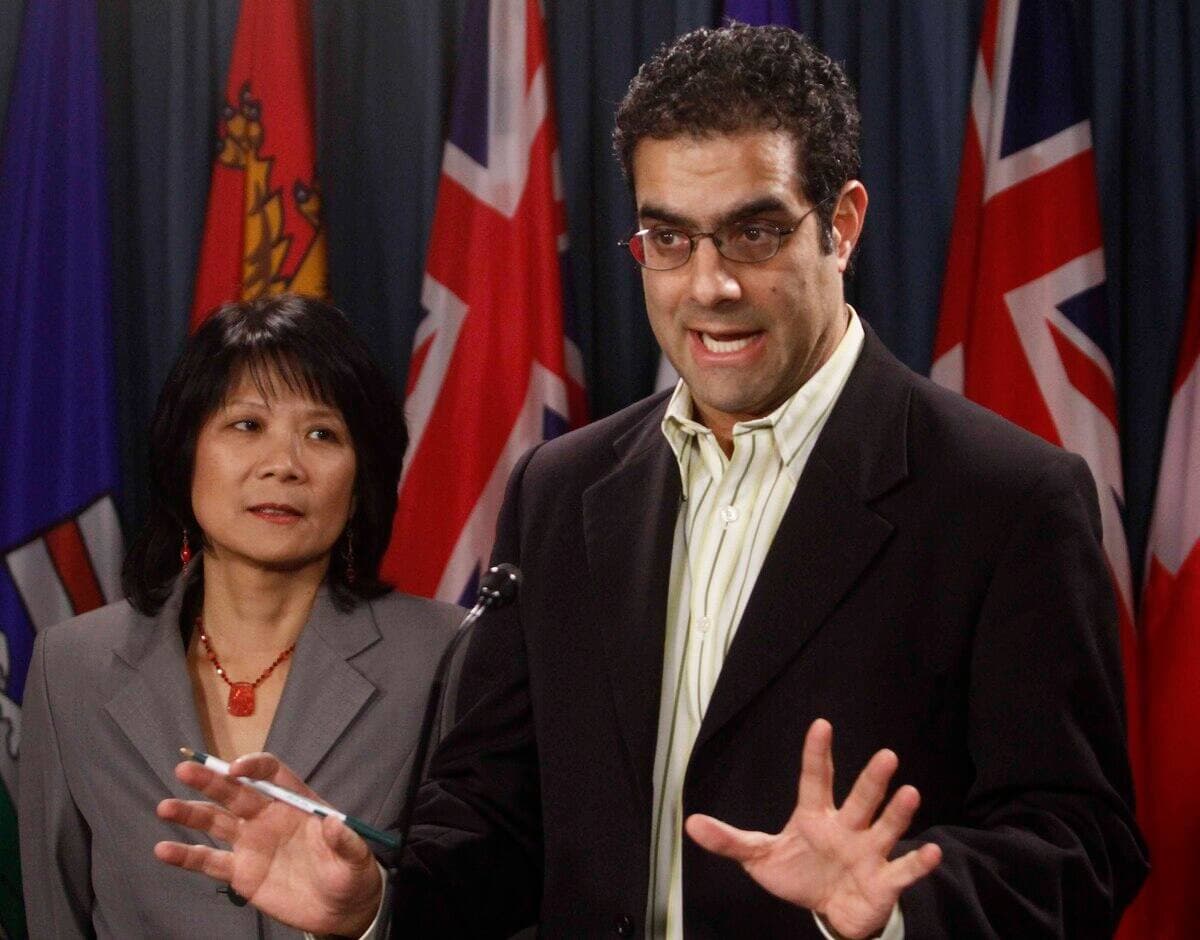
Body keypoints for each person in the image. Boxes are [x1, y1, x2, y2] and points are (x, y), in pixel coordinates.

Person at [156, 25, 1147, 938]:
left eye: (754, 232)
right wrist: (375, 898)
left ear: (841, 225)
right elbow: (496, 818)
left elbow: (1083, 843)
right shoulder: (563, 490)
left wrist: (890, 911)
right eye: (669, 239)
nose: (709, 285)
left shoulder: (1007, 499)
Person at [18, 295, 461, 938]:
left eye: (322, 434)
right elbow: (53, 916)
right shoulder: (70, 666)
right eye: (247, 425)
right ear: (186, 454)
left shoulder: (448, 657)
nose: (283, 465)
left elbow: (497, 909)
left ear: (361, 477)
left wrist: (369, 916)